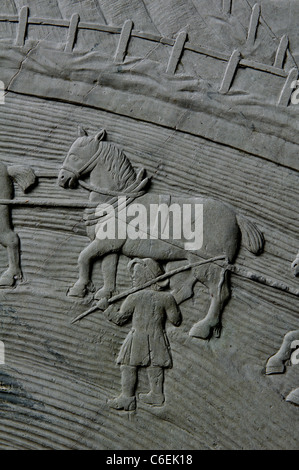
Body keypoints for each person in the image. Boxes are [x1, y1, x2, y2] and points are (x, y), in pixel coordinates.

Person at [107, 258, 182, 411]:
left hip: (138, 337)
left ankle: (127, 398)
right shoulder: (167, 298)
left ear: (147, 276)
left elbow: (120, 319)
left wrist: (106, 309)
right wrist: (172, 302)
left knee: (128, 366)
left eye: (136, 275)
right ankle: (157, 394)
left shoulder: (134, 297)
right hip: (157, 337)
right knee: (155, 365)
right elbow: (175, 320)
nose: (133, 278)